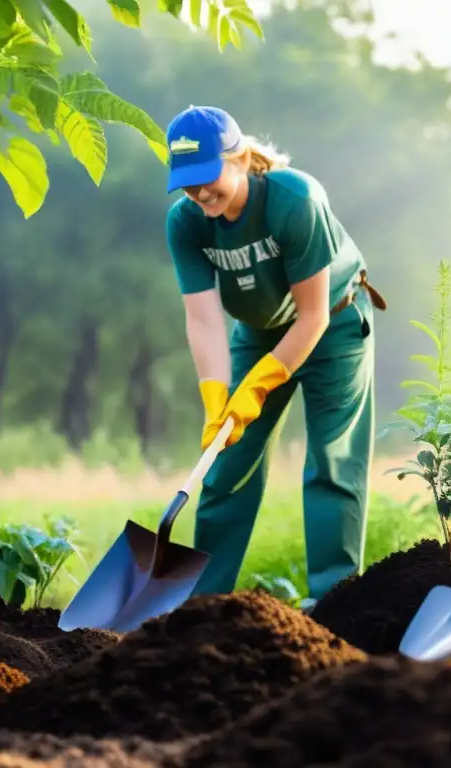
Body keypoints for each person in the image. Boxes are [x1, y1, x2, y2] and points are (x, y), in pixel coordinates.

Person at [163, 105, 386, 605]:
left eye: (206, 177)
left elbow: (312, 317)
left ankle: (334, 601)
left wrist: (259, 386)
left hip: (335, 323)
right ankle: (204, 603)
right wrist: (216, 394)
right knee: (226, 459)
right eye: (186, 183)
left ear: (240, 158)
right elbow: (202, 318)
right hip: (259, 330)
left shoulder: (294, 199)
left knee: (332, 461)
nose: (199, 193)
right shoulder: (187, 223)